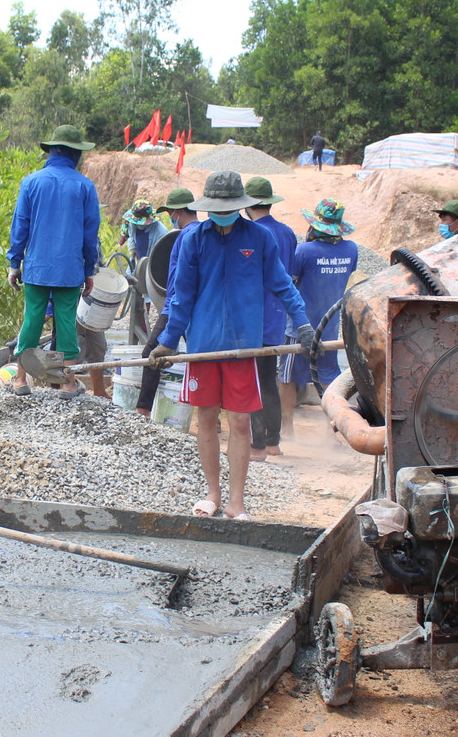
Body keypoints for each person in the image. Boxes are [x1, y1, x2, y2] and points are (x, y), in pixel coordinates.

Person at [150, 171, 315, 521]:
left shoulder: (260, 238)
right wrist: (167, 341)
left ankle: (236, 502)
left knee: (240, 423)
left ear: (240, 206)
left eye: (229, 208)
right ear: (207, 207)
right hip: (203, 346)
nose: (222, 214)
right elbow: (182, 294)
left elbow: (282, 285)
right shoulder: (193, 240)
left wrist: (301, 322)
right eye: (216, 208)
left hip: (243, 345)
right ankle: (212, 493)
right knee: (206, 418)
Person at [7, 125, 101, 397]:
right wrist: (88, 270)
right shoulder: (85, 186)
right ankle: (68, 383)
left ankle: (20, 380)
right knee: (66, 322)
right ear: (75, 154)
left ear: (52, 151)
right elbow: (89, 234)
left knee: (32, 320)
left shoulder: (31, 182)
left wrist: (15, 263)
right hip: (69, 269)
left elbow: (20, 225)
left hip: (36, 267)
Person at [280, 200, 360, 433]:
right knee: (328, 380)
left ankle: (287, 428)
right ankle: (330, 431)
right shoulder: (351, 249)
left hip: (299, 326)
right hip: (331, 328)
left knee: (287, 378)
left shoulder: (305, 251)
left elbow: (291, 278)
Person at [243, 177, 297, 461]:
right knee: (268, 380)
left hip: (253, 317)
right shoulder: (287, 233)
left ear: (248, 204)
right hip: (278, 315)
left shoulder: (250, 232)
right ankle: (273, 442)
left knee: (250, 381)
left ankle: (257, 447)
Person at [135, 188, 198, 417]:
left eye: (171, 212)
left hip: (176, 306)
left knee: (151, 353)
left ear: (179, 211)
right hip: (196, 307)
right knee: (197, 355)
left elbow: (181, 278)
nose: (171, 216)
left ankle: (142, 411)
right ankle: (211, 417)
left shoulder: (185, 236)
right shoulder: (202, 233)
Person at [117, 198, 168, 262]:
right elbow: (131, 235)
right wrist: (132, 247)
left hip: (153, 265)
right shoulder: (132, 224)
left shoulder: (161, 233)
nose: (140, 225)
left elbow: (163, 258)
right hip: (137, 263)